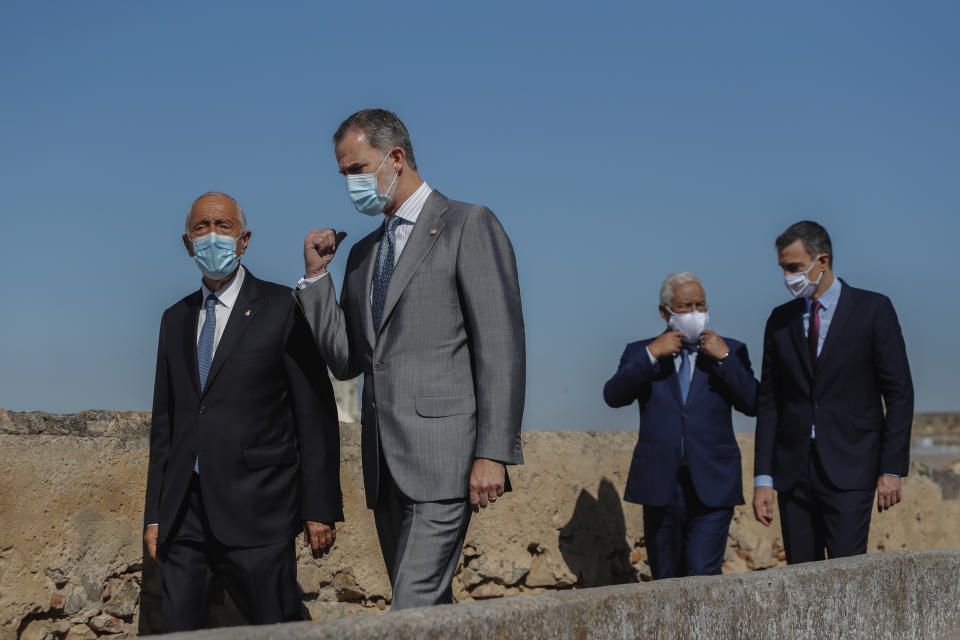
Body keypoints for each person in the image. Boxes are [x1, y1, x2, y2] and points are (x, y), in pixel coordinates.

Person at [295, 109, 525, 610]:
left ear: (395, 158)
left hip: (448, 457)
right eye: (344, 175)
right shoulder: (362, 255)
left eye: (357, 169)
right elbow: (348, 360)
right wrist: (316, 280)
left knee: (411, 609)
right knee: (427, 611)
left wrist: (494, 451)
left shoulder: (468, 223)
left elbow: (500, 345)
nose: (351, 184)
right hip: (385, 463)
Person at [143, 192, 343, 631]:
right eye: (201, 228)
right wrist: (156, 515)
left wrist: (319, 506)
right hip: (185, 515)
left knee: (276, 626)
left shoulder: (282, 308)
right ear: (187, 242)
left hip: (259, 510)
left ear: (244, 239)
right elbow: (166, 424)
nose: (212, 235)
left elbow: (315, 412)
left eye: (223, 226)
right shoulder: (174, 319)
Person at [752, 221, 914, 563]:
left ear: (822, 261)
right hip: (794, 471)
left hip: (852, 464)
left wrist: (892, 469)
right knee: (801, 578)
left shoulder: (873, 310)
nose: (787, 277)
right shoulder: (779, 320)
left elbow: (898, 392)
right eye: (783, 268)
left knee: (847, 576)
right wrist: (763, 479)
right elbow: (770, 402)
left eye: (794, 267)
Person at [604, 273, 758, 578]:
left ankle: (707, 628)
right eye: (685, 306)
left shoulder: (732, 349)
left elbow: (753, 402)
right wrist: (651, 355)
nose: (695, 313)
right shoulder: (640, 352)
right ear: (665, 312)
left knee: (702, 573)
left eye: (700, 305)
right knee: (666, 577)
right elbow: (613, 395)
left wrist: (725, 358)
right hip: (660, 482)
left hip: (714, 480)